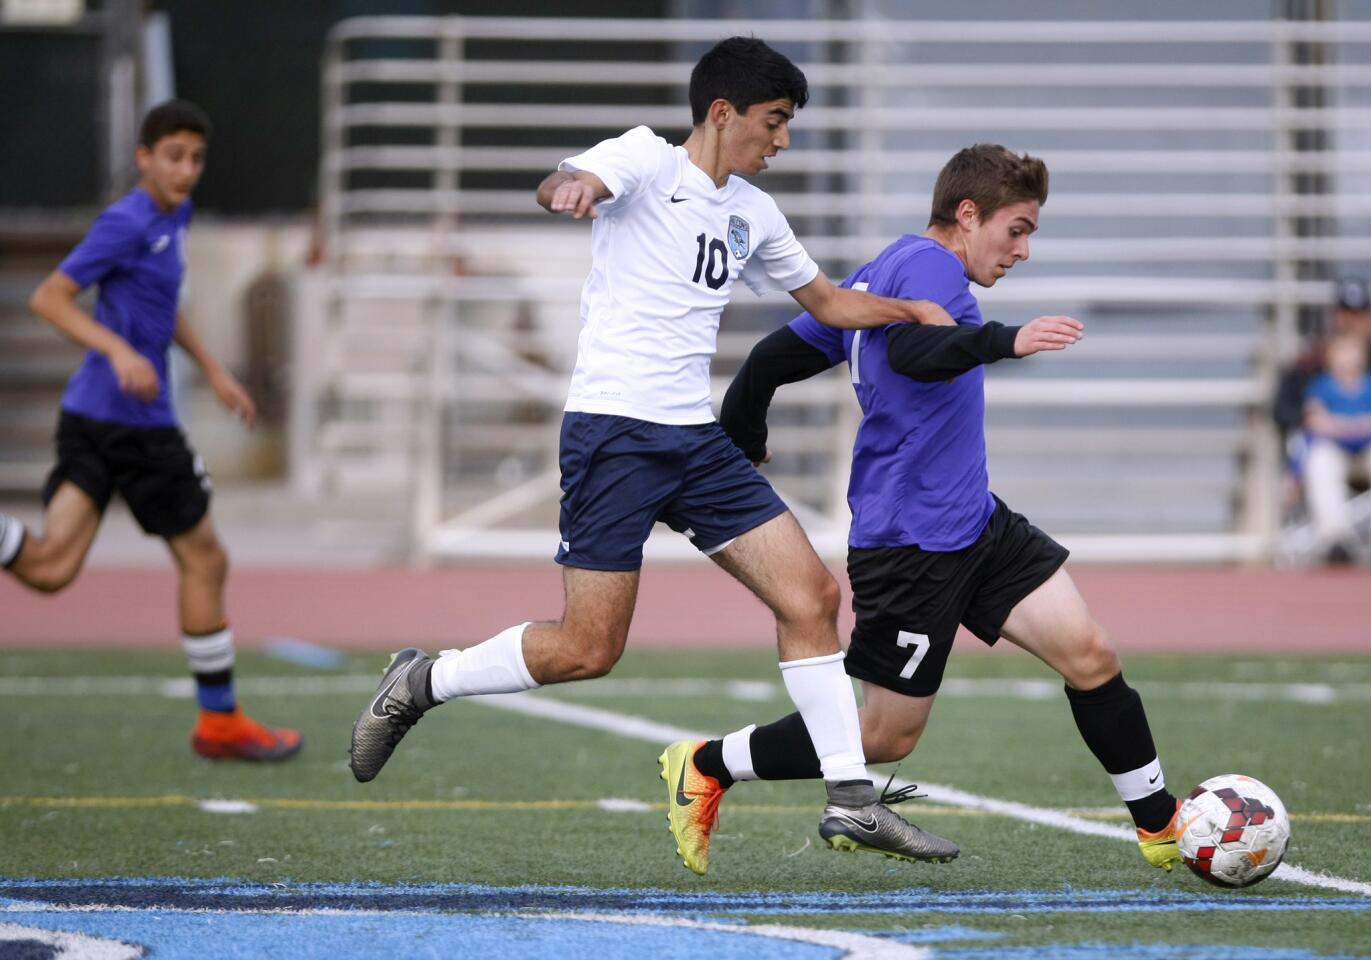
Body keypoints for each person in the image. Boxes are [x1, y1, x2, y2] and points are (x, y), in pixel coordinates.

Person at [347, 36, 961, 872]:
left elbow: (826, 302)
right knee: (587, 650)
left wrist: (910, 312)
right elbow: (578, 180)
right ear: (721, 113)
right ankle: (424, 681)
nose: (782, 140)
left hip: (694, 441)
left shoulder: (754, 211)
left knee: (812, 594)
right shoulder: (642, 157)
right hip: (615, 433)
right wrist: (573, 186)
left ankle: (851, 800)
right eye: (774, 122)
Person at [659, 144, 1185, 876]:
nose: (1023, 250)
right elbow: (910, 353)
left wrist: (744, 433)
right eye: (1016, 229)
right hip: (911, 543)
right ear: (967, 215)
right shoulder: (930, 269)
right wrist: (1007, 340)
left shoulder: (882, 272)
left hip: (976, 523)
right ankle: (707, 762)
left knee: (1090, 657)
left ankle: (1162, 828)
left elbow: (770, 360)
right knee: (883, 735)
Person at [0, 100, 301, 762]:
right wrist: (118, 350)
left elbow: (164, 308)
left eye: (195, 158)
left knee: (50, 569)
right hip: (136, 427)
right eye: (173, 157)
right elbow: (49, 297)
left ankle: (220, 721)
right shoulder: (127, 220)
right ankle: (219, 722)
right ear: (144, 158)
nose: (186, 170)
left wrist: (216, 371)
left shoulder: (176, 215)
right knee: (206, 559)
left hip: (92, 420)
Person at [1301, 331, 1371, 564]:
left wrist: (1339, 425)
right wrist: (1355, 425)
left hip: (1366, 453)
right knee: (1320, 461)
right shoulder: (1322, 386)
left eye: (1353, 353)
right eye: (1342, 353)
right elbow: (1315, 421)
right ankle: (1335, 538)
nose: (1348, 359)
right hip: (1336, 452)